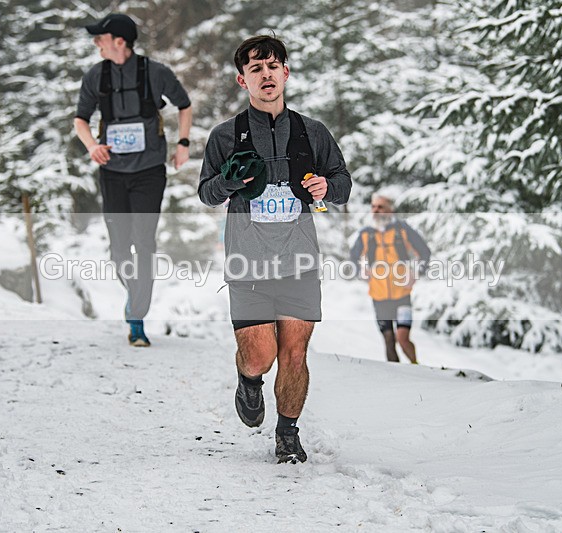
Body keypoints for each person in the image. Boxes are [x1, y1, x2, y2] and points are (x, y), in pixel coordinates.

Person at [199, 35, 351, 464]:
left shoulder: (312, 132)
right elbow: (207, 194)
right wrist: (230, 181)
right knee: (261, 355)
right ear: (241, 80)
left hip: (299, 259)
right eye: (255, 69)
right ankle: (249, 380)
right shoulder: (225, 135)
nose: (265, 75)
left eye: (272, 67)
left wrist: (326, 186)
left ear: (285, 73)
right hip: (248, 261)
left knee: (295, 352)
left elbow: (341, 182)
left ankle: (287, 433)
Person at [74, 13, 192, 347]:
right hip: (112, 173)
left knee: (144, 243)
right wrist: (92, 146)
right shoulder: (95, 76)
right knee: (118, 252)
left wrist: (183, 144)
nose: (97, 43)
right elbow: (80, 119)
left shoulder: (156, 73)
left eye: (101, 38)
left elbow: (184, 105)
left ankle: (137, 318)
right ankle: (135, 298)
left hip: (149, 171)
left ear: (120, 41)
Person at [350, 193, 430, 364]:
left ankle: (417, 368)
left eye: (381, 207)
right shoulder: (366, 234)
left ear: (390, 210)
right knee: (388, 339)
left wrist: (416, 273)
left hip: (402, 293)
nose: (376, 210)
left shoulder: (403, 230)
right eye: (373, 207)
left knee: (402, 337)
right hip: (379, 296)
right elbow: (353, 257)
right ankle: (397, 378)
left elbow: (424, 252)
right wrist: (360, 270)